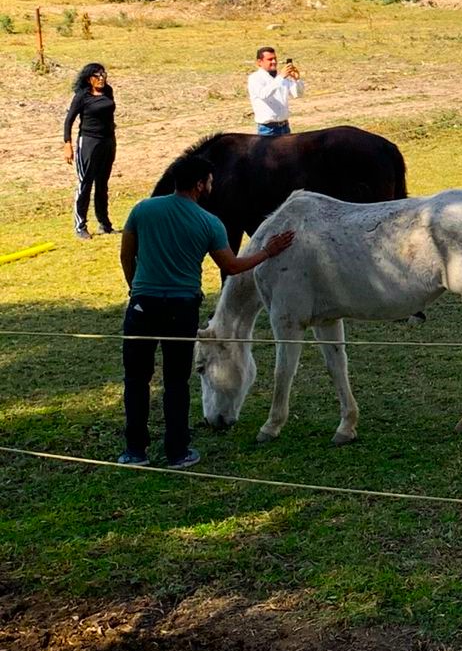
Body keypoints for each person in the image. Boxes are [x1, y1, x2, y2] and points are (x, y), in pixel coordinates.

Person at [117, 154, 295, 468]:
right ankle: (176, 450)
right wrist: (268, 251)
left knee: (135, 379)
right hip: (181, 308)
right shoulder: (208, 222)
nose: (211, 185)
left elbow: (127, 254)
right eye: (210, 180)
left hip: (142, 305)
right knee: (175, 381)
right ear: (200, 184)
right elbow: (232, 266)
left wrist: (136, 288)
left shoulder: (142, 209)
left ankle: (135, 450)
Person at [62, 62, 117, 241]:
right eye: (97, 75)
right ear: (89, 79)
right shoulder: (82, 96)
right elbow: (69, 120)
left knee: (102, 183)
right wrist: (67, 144)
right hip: (89, 142)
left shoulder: (108, 91)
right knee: (85, 183)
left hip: (107, 142)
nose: (101, 78)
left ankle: (105, 223)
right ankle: (80, 226)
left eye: (103, 74)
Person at [248, 46, 303, 136]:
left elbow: (298, 94)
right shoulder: (255, 78)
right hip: (268, 129)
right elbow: (264, 94)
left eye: (275, 59)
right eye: (270, 59)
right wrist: (280, 77)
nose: (274, 62)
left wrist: (296, 80)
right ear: (259, 62)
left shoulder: (281, 77)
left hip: (285, 127)